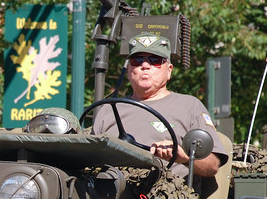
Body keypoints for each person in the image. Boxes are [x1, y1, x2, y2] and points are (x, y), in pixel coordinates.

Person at [91, 33, 229, 187]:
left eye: (155, 60)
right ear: (129, 69)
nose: (145, 66)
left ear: (169, 70)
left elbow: (212, 165)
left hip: (165, 196)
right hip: (109, 195)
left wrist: (183, 157)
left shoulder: (189, 107)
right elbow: (87, 161)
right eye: (137, 60)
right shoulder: (108, 110)